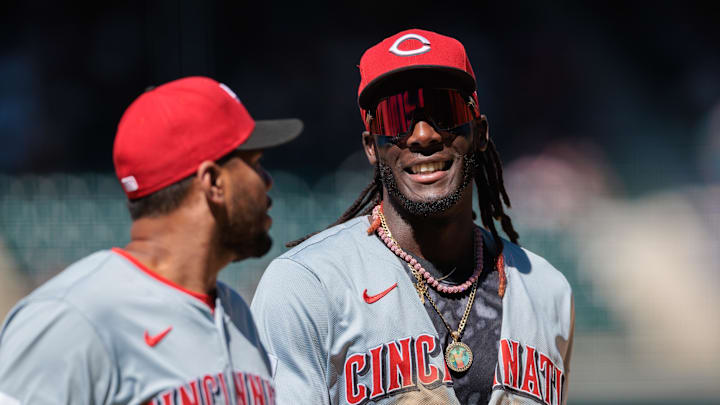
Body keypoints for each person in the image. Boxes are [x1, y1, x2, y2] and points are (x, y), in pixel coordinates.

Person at [250, 29, 574, 405]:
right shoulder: (308, 285)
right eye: (396, 117)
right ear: (372, 146)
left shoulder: (547, 291)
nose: (422, 135)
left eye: (445, 111)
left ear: (480, 132)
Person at [0, 76, 302, 405]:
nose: (268, 181)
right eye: (255, 164)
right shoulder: (71, 317)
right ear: (213, 181)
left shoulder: (235, 313)